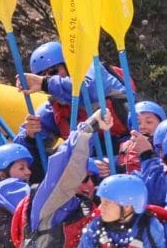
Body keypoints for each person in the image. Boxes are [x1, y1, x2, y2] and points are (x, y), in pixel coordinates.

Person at [12, 109, 113, 248]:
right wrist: (88, 128)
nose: (88, 185)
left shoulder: (93, 209)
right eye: (84, 178)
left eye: (93, 180)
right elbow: (67, 164)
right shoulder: (51, 203)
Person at [15, 41, 130, 181]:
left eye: (53, 72)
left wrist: (46, 83)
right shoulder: (54, 108)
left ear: (69, 66)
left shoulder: (94, 70)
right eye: (42, 76)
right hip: (92, 170)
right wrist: (29, 136)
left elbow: (87, 90)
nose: (51, 78)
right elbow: (19, 151)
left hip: (127, 156)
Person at [112, 100, 167, 175]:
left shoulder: (164, 146)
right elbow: (118, 163)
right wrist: (107, 165)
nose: (142, 127)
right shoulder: (126, 145)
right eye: (138, 123)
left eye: (149, 122)